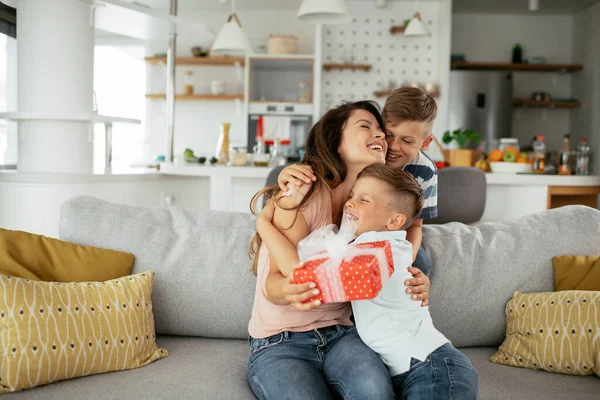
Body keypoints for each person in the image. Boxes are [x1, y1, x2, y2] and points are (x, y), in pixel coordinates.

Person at [246, 101, 430, 400]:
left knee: (375, 393)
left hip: (341, 335)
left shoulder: (375, 210)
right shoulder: (301, 194)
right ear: (336, 141)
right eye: (365, 127)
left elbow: (390, 262)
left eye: (381, 131)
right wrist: (292, 288)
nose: (380, 136)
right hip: (279, 342)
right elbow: (273, 284)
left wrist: (415, 283)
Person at [345, 164, 478, 399]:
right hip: (419, 367)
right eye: (351, 196)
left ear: (395, 221)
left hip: (431, 367)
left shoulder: (375, 250)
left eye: (363, 200)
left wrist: (268, 227)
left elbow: (319, 278)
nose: (350, 203)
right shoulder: (384, 246)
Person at [278, 87, 438, 276]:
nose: (393, 147)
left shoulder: (425, 170)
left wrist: (404, 260)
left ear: (425, 143)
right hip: (355, 225)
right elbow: (324, 169)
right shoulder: (369, 154)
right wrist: (284, 173)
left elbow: (415, 225)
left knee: (420, 262)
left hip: (391, 232)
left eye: (407, 141)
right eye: (388, 134)